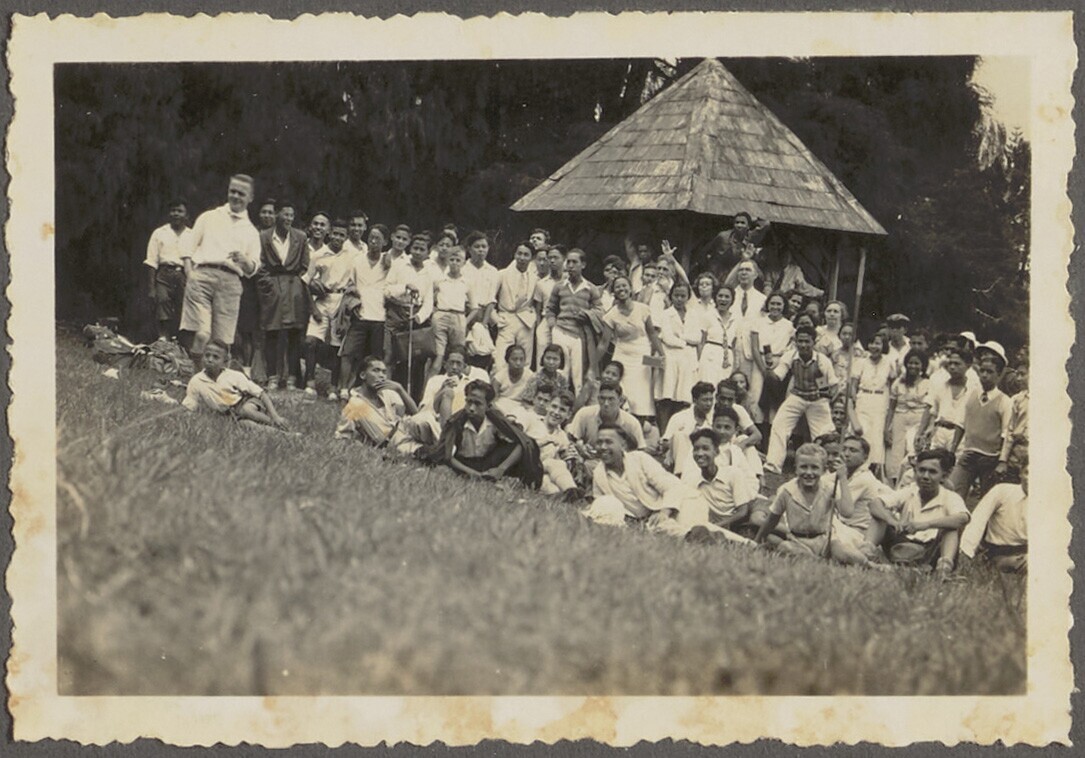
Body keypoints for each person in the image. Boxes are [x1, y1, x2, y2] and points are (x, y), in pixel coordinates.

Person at [179, 174, 262, 367]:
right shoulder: (209, 217)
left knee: (221, 343)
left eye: (241, 193)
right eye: (233, 191)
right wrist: (190, 273)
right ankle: (196, 375)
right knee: (202, 334)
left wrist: (244, 261)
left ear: (250, 198)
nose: (236, 196)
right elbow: (188, 247)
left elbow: (253, 268)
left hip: (230, 284)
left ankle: (211, 380)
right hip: (202, 277)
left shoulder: (251, 231)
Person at [755, 443, 868, 564]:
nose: (809, 472)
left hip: (825, 541)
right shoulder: (787, 490)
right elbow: (772, 520)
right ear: (796, 468)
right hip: (797, 540)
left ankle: (871, 565)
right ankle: (818, 561)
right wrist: (756, 542)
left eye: (815, 468)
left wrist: (843, 479)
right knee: (785, 547)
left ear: (823, 470)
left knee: (844, 551)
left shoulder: (830, 488)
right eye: (803, 467)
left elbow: (847, 512)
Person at [418, 379, 542, 489]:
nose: (471, 408)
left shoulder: (496, 421)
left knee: (522, 448)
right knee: (441, 466)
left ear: (488, 406)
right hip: (463, 463)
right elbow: (448, 455)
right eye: (469, 402)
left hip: (489, 462)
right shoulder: (457, 421)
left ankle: (506, 478)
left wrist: (501, 469)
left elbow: (523, 443)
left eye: (477, 404)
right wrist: (475, 474)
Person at [861, 448, 970, 573]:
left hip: (931, 550)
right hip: (902, 546)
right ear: (915, 472)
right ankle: (865, 554)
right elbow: (874, 503)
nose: (925, 476)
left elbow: (963, 518)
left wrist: (926, 525)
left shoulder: (950, 497)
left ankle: (944, 568)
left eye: (932, 472)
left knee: (951, 528)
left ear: (943, 476)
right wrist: (892, 521)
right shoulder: (909, 491)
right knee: (879, 517)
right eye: (921, 470)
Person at [584, 425, 687, 534]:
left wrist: (664, 513)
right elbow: (600, 502)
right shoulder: (599, 473)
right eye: (599, 442)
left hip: (661, 509)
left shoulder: (639, 459)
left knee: (675, 529)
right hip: (633, 521)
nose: (603, 447)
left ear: (623, 445)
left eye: (609, 442)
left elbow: (671, 486)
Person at [765, 326, 839, 473]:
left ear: (814, 342)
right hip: (797, 396)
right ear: (796, 342)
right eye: (800, 341)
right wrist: (768, 367)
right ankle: (773, 464)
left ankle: (826, 467)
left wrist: (827, 401)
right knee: (779, 425)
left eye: (807, 341)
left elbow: (833, 386)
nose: (803, 345)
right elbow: (777, 377)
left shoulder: (822, 361)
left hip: (817, 400)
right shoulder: (790, 356)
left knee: (825, 433)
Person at [255, 201, 309, 391]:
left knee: (294, 334)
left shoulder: (300, 237)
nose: (288, 219)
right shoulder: (264, 237)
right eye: (285, 214)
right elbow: (260, 264)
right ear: (277, 214)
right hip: (273, 288)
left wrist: (298, 286)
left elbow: (305, 266)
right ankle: (272, 376)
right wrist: (269, 286)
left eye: (291, 215)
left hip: (294, 290)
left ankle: (292, 378)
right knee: (272, 332)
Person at [334, 355, 436, 454]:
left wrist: (400, 389)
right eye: (376, 370)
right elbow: (343, 436)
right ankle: (439, 450)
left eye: (384, 372)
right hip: (394, 442)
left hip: (407, 431)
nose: (381, 375)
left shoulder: (388, 393)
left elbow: (415, 414)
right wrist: (360, 443)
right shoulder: (354, 404)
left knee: (426, 416)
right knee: (430, 453)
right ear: (363, 375)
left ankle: (442, 444)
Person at [181, 339, 289, 432]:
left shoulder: (233, 375)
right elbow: (189, 406)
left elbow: (261, 394)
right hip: (230, 413)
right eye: (207, 355)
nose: (210, 360)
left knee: (246, 410)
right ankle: (284, 434)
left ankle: (277, 423)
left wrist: (275, 416)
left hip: (247, 401)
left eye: (215, 357)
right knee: (246, 425)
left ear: (225, 362)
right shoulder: (196, 381)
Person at [946, 349, 1012, 500]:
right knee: (953, 490)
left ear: (999, 375)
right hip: (969, 454)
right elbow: (960, 424)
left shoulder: (1004, 401)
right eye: (982, 371)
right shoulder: (971, 394)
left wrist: (1002, 461)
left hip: (990, 458)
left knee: (987, 499)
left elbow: (1006, 434)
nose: (984, 375)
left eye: (990, 372)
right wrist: (952, 450)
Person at [598, 275, 665, 420]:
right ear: (614, 292)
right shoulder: (611, 315)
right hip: (621, 356)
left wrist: (661, 355)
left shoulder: (643, 309)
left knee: (641, 395)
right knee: (622, 391)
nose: (621, 289)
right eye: (617, 287)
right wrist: (592, 365)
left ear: (630, 289)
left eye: (624, 285)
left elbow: (652, 334)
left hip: (642, 356)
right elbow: (604, 342)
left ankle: (639, 426)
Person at [302, 219, 355, 398]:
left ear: (346, 237)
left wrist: (348, 304)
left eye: (342, 235)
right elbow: (306, 282)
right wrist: (313, 309)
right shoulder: (319, 255)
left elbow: (355, 281)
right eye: (335, 234)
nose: (338, 238)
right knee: (311, 341)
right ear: (330, 233)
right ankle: (310, 382)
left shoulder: (351, 256)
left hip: (341, 302)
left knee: (336, 346)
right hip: (322, 300)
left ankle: (333, 386)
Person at [678, 428, 759, 542]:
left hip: (746, 519)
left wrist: (717, 526)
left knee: (760, 524)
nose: (700, 453)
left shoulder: (733, 474)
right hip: (725, 528)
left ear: (716, 452)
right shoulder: (692, 481)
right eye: (696, 449)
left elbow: (742, 512)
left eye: (705, 448)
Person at [337, 224, 391, 397]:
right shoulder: (358, 260)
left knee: (375, 358)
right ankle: (343, 389)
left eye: (378, 239)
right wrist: (352, 299)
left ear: (385, 242)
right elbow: (349, 283)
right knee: (348, 352)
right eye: (371, 237)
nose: (373, 241)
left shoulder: (388, 262)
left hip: (379, 316)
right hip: (359, 314)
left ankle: (371, 391)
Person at [546, 249, 604, 391]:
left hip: (579, 335)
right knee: (561, 370)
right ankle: (557, 399)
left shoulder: (590, 288)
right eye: (569, 262)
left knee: (578, 372)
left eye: (574, 262)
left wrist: (587, 314)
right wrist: (553, 325)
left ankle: (577, 400)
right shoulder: (559, 286)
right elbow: (550, 308)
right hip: (560, 331)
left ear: (583, 265)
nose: (570, 266)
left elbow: (600, 310)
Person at [384, 233, 435, 389]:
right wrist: (404, 287)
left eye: (422, 249)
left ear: (427, 253)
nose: (418, 252)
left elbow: (429, 302)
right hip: (396, 313)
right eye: (415, 248)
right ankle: (384, 392)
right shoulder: (399, 265)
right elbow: (386, 290)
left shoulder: (429, 272)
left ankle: (410, 395)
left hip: (415, 317)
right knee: (389, 355)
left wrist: (419, 317)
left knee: (413, 359)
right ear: (410, 248)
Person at [958, 459, 1028, 573]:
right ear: (1020, 473)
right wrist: (966, 553)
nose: (1030, 478)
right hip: (999, 553)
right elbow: (978, 520)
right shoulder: (1002, 491)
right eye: (1027, 473)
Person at [144, 199, 193, 339]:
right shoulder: (159, 233)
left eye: (180, 211)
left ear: (187, 215)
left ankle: (181, 342)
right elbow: (152, 261)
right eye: (173, 211)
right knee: (162, 302)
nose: (176, 214)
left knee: (184, 308)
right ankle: (163, 340)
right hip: (164, 275)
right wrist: (151, 288)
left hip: (184, 275)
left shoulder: (192, 235)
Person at [851, 330, 897, 473]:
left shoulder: (889, 362)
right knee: (863, 433)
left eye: (878, 343)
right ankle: (859, 467)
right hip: (863, 398)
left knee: (877, 435)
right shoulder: (861, 362)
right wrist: (855, 400)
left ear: (883, 345)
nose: (874, 346)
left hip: (881, 400)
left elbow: (894, 383)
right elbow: (853, 385)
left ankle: (874, 470)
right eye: (871, 343)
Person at [655, 279, 697, 435]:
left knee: (683, 398)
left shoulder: (693, 314)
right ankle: (663, 435)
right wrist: (685, 342)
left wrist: (682, 337)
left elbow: (697, 337)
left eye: (683, 296)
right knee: (666, 396)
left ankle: (678, 434)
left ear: (688, 297)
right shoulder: (666, 314)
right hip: (670, 357)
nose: (679, 299)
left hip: (687, 360)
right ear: (671, 296)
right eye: (676, 295)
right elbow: (667, 338)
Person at [917, 346, 975, 454]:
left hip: (961, 436)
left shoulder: (973, 389)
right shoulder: (941, 386)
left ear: (968, 365)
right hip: (940, 432)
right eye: (950, 363)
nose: (952, 367)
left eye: (957, 364)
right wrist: (924, 431)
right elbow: (932, 411)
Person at [885, 349, 931, 485]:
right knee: (896, 452)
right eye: (910, 363)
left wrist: (925, 429)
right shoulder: (898, 383)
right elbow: (891, 407)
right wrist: (886, 429)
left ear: (923, 365)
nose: (913, 366)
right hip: (900, 418)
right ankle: (894, 484)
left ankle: (910, 482)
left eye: (917, 363)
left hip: (918, 419)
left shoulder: (928, 383)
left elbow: (929, 408)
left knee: (913, 449)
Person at [417, 345, 490, 429]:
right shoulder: (435, 381)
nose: (454, 367)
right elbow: (425, 409)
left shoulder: (470, 383)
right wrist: (441, 390)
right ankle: (447, 432)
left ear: (464, 366)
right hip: (437, 423)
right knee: (447, 392)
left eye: (458, 363)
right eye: (451, 363)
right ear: (445, 364)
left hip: (464, 422)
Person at [730, 260, 768, 422]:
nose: (744, 273)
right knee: (728, 389)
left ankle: (749, 425)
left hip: (751, 353)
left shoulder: (763, 299)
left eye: (748, 270)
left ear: (755, 275)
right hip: (731, 350)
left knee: (751, 392)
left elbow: (765, 327)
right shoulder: (730, 295)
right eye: (741, 270)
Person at [428, 245, 473, 378]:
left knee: (458, 355)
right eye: (452, 259)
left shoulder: (467, 282)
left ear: (463, 263)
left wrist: (465, 321)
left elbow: (474, 306)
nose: (454, 263)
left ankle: (457, 385)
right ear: (447, 260)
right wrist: (433, 312)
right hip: (441, 316)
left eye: (458, 260)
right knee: (438, 355)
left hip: (459, 317)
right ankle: (429, 387)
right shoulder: (439, 280)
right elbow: (429, 298)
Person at [493, 240, 539, 373]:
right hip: (506, 318)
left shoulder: (535, 278)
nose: (522, 258)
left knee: (525, 360)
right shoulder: (502, 274)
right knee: (500, 359)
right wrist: (496, 319)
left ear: (531, 258)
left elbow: (536, 302)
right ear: (515, 255)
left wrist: (534, 319)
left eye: (526, 255)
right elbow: (490, 299)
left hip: (526, 321)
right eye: (519, 254)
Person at [752, 292, 795, 422]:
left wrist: (778, 369)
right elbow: (754, 348)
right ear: (767, 304)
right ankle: (757, 426)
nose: (775, 307)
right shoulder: (758, 322)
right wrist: (763, 370)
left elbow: (791, 347)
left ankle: (773, 428)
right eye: (772, 303)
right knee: (756, 394)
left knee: (775, 399)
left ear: (784, 306)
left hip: (779, 363)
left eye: (779, 304)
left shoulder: (789, 325)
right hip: (760, 361)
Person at [568, 381, 645, 454]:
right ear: (598, 399)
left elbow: (640, 451)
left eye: (611, 399)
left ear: (621, 401)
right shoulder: (584, 414)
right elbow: (570, 440)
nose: (606, 403)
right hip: (589, 459)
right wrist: (580, 447)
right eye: (602, 398)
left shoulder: (632, 423)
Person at [461, 231, 501, 372]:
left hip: (485, 315)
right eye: (477, 246)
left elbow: (491, 299)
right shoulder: (463, 269)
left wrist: (483, 324)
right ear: (469, 249)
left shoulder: (493, 271)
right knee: (466, 351)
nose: (481, 250)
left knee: (484, 351)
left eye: (484, 247)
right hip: (466, 314)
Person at [696, 211, 771, 285]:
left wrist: (755, 220)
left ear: (748, 226)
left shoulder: (751, 237)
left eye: (743, 223)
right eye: (737, 222)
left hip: (738, 274)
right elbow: (705, 252)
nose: (739, 225)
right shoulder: (723, 237)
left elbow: (766, 224)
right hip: (720, 273)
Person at [535, 390, 584, 498]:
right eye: (554, 406)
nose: (556, 412)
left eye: (562, 410)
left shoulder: (562, 436)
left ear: (568, 415)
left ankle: (568, 495)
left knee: (553, 487)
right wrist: (542, 442)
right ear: (547, 406)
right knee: (553, 463)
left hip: (542, 472)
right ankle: (571, 489)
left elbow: (564, 463)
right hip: (527, 464)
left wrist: (573, 459)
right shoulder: (533, 421)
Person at [660, 381, 715, 475]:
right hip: (681, 457)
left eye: (711, 400)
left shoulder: (714, 419)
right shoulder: (679, 417)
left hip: (704, 458)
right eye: (705, 400)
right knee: (680, 436)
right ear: (695, 400)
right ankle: (681, 474)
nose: (709, 404)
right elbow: (665, 442)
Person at [532, 245, 565, 364]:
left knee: (562, 355)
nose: (552, 261)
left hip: (564, 321)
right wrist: (538, 327)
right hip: (546, 322)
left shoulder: (569, 281)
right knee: (542, 353)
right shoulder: (541, 283)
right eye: (549, 258)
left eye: (556, 257)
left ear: (564, 259)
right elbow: (538, 309)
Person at [492, 344, 535, 414]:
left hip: (522, 407)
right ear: (507, 360)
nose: (518, 363)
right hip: (502, 405)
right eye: (514, 359)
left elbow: (530, 401)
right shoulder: (499, 377)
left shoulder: (530, 376)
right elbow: (493, 400)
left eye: (521, 359)